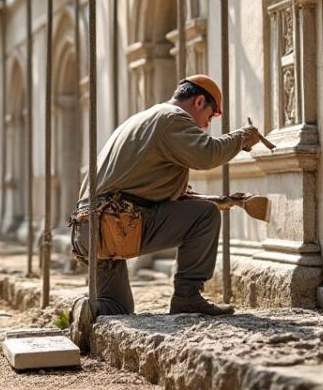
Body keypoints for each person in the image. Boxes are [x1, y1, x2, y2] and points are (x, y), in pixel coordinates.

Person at [68, 75, 265, 351]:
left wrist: (212, 198)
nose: (206, 126)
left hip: (91, 230)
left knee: (117, 308)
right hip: (115, 226)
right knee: (206, 215)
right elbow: (207, 155)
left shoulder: (143, 119)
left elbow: (148, 190)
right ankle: (187, 296)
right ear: (198, 101)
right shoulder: (173, 119)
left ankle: (83, 308)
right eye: (208, 117)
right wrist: (242, 137)